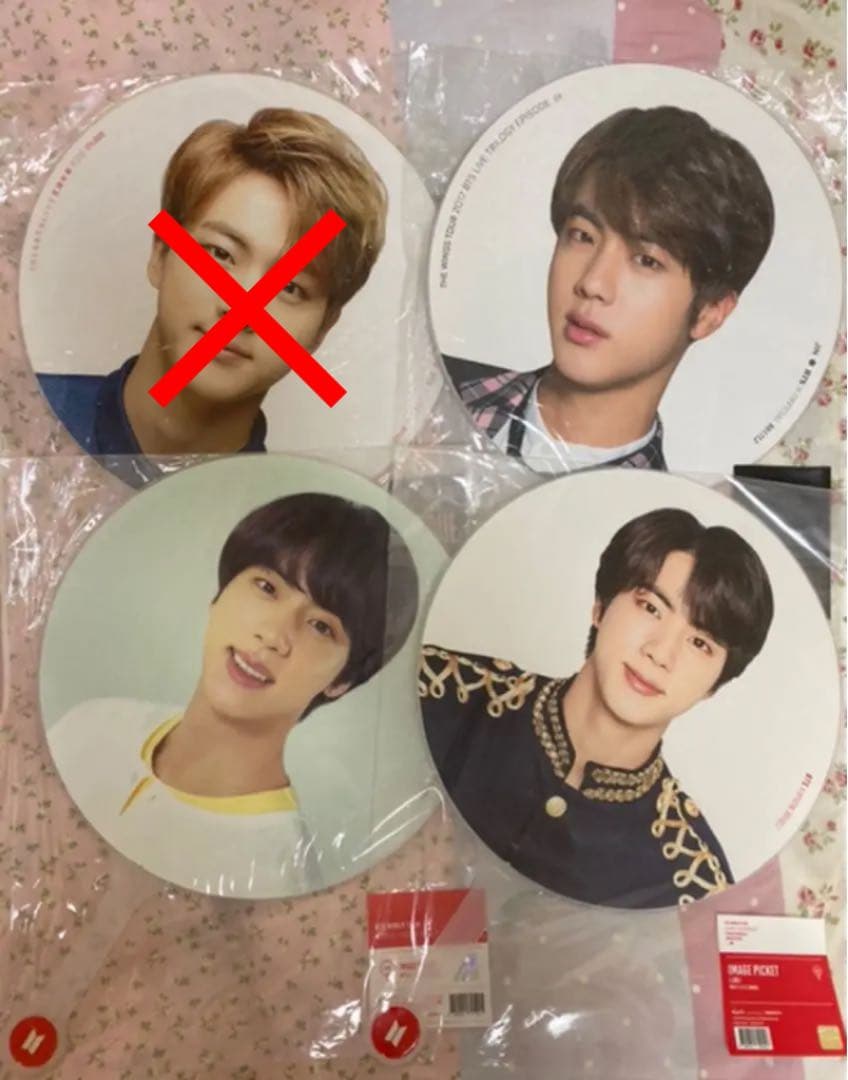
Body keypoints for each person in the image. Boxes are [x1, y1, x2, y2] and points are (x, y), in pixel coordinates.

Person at [47, 493, 419, 897]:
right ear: (219, 597)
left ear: (341, 681)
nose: (273, 635)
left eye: (321, 627)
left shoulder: (270, 873)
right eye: (267, 587)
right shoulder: (93, 724)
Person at [419, 507, 774, 908]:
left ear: (715, 685)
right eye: (651, 608)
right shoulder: (438, 689)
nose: (660, 653)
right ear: (600, 607)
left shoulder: (693, 885)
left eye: (699, 643)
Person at [37, 108, 388, 465]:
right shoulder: (22, 414)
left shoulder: (299, 502)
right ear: (161, 253)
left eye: (290, 287)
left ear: (323, 327)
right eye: (220, 254)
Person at [445, 106, 775, 475]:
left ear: (710, 313)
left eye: (647, 261)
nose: (592, 283)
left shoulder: (669, 509)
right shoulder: (430, 389)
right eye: (583, 236)